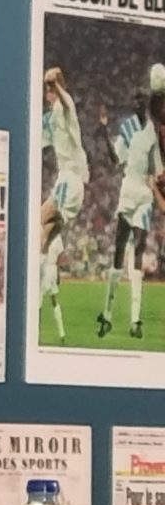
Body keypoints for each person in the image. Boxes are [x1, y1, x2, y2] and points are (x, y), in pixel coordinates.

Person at [98, 64, 165, 338]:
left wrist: (160, 184)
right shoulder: (125, 128)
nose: (138, 103)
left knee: (138, 250)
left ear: (146, 103)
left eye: (141, 100)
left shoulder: (153, 133)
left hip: (144, 196)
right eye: (135, 101)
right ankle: (107, 313)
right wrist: (104, 132)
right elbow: (116, 160)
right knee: (118, 252)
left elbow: (157, 170)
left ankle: (135, 321)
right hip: (127, 192)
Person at [42, 64, 89, 339]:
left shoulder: (65, 107)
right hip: (71, 183)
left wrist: (54, 82)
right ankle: (36, 294)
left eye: (50, 89)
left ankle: (33, 285)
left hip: (69, 180)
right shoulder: (53, 117)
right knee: (46, 233)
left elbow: (67, 101)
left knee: (40, 224)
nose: (47, 93)